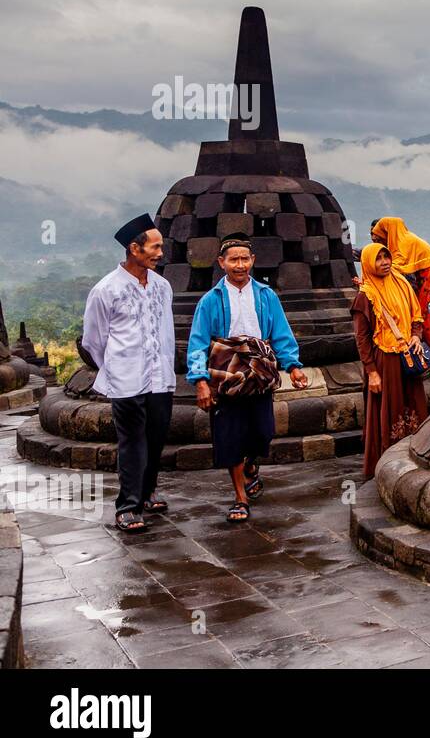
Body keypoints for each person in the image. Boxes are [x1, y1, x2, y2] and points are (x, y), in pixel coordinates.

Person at [188, 234, 311, 522]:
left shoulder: (266, 296)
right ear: (222, 263)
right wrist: (201, 381)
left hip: (260, 371)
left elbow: (281, 332)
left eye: (245, 259)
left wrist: (293, 366)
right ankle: (240, 498)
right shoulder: (210, 300)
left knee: (262, 432)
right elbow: (197, 342)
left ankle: (251, 465)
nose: (240, 265)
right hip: (225, 371)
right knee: (230, 434)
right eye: (233, 259)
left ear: (253, 261)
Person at [82, 214, 176, 533]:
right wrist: (117, 368)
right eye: (155, 247)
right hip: (127, 380)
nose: (161, 252)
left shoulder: (162, 287)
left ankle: (147, 493)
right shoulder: (105, 290)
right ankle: (127, 505)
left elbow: (166, 332)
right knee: (132, 441)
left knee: (157, 437)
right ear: (134, 249)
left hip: (160, 377)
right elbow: (94, 341)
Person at [353, 243, 430, 479]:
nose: (384, 262)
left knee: (416, 406)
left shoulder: (401, 283)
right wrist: (372, 372)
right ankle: (388, 465)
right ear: (368, 263)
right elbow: (362, 339)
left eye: (386, 257)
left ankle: (415, 455)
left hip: (407, 356)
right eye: (378, 259)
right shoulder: (365, 296)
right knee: (390, 411)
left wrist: (416, 336)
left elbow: (416, 315)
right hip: (384, 361)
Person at [370, 217, 430, 347]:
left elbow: (394, 266)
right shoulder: (403, 238)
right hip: (425, 278)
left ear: (388, 233)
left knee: (427, 319)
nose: (380, 244)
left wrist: (369, 277)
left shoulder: (403, 242)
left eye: (380, 239)